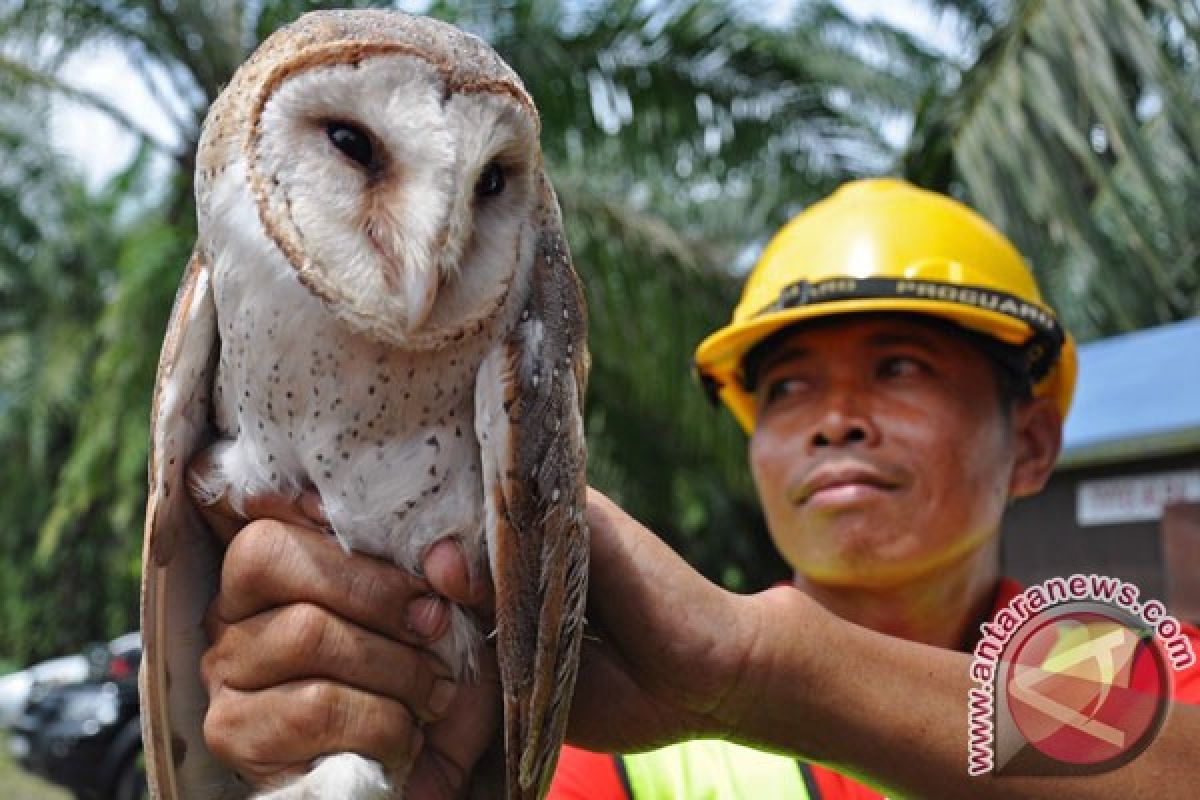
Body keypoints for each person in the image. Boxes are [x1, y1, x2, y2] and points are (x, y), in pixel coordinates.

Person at [196, 179, 1200, 799]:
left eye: (900, 367)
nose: (833, 417)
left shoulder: (1145, 675)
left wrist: (754, 672)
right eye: (789, 385)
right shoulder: (618, 742)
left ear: (1030, 445)